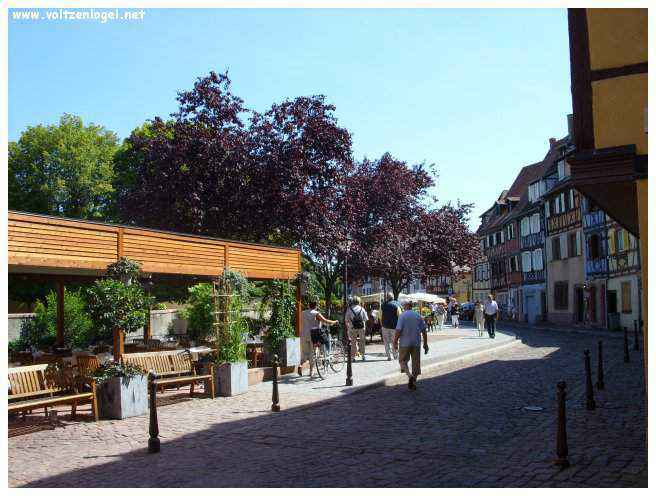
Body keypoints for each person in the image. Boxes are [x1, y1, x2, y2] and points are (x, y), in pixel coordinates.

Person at [393, 301, 429, 390]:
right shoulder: (418, 315)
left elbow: (398, 330)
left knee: (402, 360)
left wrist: (395, 342)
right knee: (416, 364)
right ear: (411, 307)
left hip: (404, 343)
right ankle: (413, 381)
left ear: (405, 306)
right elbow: (424, 331)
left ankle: (409, 376)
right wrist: (425, 343)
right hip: (416, 342)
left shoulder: (402, 316)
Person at [299, 300, 338, 377]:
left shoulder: (302, 313)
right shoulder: (316, 313)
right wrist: (334, 322)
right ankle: (311, 371)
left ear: (308, 305)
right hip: (313, 334)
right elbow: (325, 321)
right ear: (316, 306)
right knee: (312, 353)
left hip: (303, 334)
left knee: (304, 352)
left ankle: (300, 365)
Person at [345, 296, 368, 360]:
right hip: (361, 327)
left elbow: (346, 320)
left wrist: (348, 328)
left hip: (352, 327)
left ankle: (353, 357)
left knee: (353, 342)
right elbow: (365, 319)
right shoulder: (362, 309)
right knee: (362, 341)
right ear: (359, 301)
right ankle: (363, 355)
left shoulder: (349, 309)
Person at [380, 292, 402, 361]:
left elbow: (380, 316)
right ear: (393, 297)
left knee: (386, 342)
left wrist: (382, 325)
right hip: (394, 327)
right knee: (395, 341)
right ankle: (395, 355)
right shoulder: (397, 305)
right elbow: (400, 316)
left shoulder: (383, 305)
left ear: (387, 298)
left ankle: (389, 356)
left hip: (385, 326)